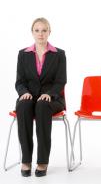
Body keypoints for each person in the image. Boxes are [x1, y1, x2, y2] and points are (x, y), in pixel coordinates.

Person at [15, 17, 67, 177]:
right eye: (37, 30)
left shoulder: (59, 54)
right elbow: (19, 81)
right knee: (23, 105)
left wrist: (49, 94)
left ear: (49, 32)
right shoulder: (23, 54)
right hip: (29, 97)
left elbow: (60, 81)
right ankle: (26, 160)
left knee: (42, 106)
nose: (40, 34)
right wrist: (24, 93)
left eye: (44, 30)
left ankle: (42, 160)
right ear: (32, 32)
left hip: (52, 99)